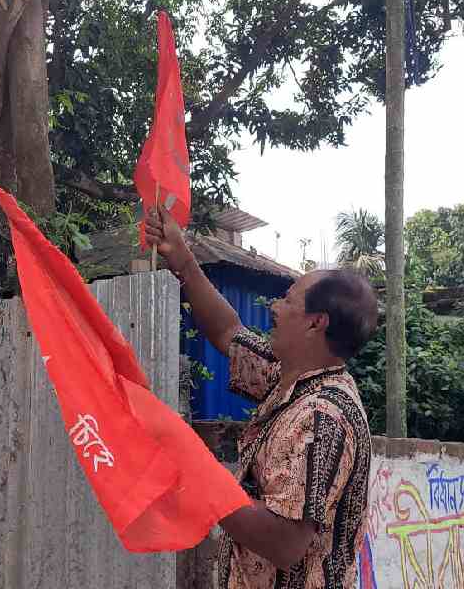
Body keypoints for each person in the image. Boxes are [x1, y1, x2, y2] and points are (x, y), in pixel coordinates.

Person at [144, 205, 378, 589]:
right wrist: (183, 260)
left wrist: (199, 472)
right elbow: (228, 332)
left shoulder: (323, 415)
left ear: (315, 323)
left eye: (287, 299)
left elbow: (285, 542)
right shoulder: (290, 380)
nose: (275, 307)